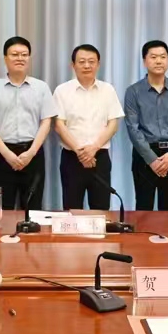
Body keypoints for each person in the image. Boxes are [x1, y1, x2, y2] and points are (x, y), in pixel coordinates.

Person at [0, 36, 57, 211]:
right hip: (1, 155)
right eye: (14, 54)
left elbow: (46, 122)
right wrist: (7, 154)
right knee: (1, 210)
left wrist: (31, 153)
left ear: (29, 58)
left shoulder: (41, 87)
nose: (20, 58)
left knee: (32, 209)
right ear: (5, 58)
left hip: (32, 154)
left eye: (24, 54)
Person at [53, 44, 125, 210]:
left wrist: (93, 148)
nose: (87, 65)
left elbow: (113, 125)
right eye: (82, 61)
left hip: (100, 158)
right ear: (73, 65)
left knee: (101, 211)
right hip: (71, 159)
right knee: (71, 210)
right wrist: (80, 152)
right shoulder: (62, 91)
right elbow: (59, 125)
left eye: (91, 61)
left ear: (98, 64)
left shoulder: (107, 90)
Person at [123, 40, 168, 211]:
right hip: (144, 154)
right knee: (143, 208)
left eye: (163, 57)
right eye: (153, 57)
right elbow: (133, 128)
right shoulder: (133, 91)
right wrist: (152, 160)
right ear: (144, 61)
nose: (158, 61)